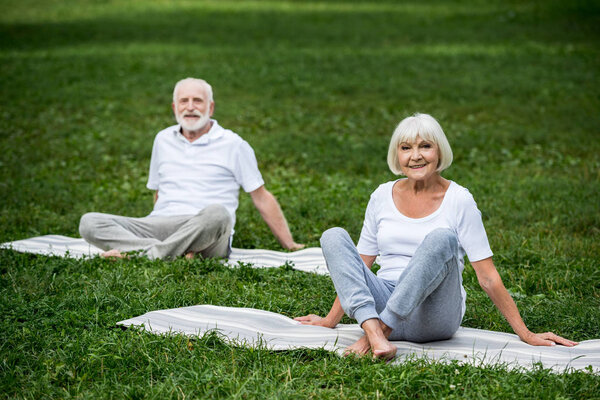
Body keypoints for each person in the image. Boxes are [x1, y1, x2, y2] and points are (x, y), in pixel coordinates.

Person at [295, 113, 577, 359]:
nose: (415, 155)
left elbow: (488, 276)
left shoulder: (459, 199)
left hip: (434, 316)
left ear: (439, 152)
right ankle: (376, 333)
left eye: (425, 146)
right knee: (333, 236)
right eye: (406, 148)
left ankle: (377, 334)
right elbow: (360, 265)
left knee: (442, 238)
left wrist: (525, 333)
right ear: (397, 156)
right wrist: (330, 320)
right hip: (382, 301)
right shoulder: (382, 195)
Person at [79, 78, 304, 259]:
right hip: (162, 223)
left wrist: (289, 244)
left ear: (211, 107)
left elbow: (261, 197)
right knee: (90, 222)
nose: (190, 107)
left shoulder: (233, 144)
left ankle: (141, 254)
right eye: (183, 101)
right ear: (174, 107)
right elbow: (158, 192)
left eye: (197, 101)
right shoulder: (162, 139)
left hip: (207, 229)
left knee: (218, 214)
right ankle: (170, 253)